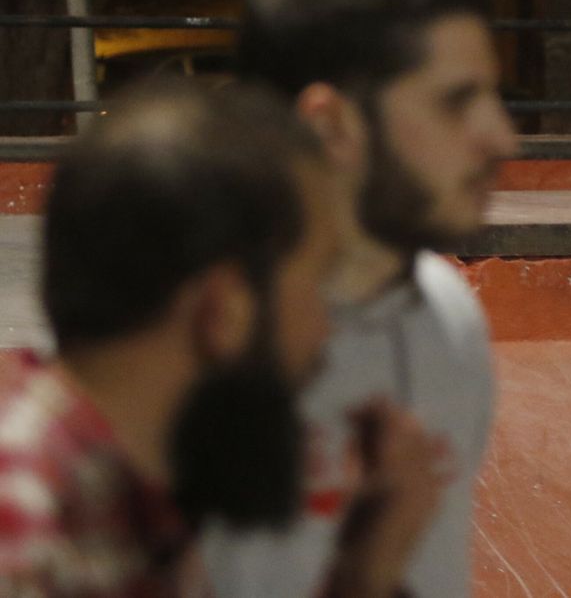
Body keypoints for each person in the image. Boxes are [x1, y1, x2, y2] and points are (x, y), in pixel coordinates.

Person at [205, 0, 518, 598]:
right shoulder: (184, 351)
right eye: (456, 101)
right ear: (331, 123)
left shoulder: (449, 316)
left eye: (495, 95)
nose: (502, 137)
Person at [0, 82, 376, 594]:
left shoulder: (133, 509)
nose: (327, 329)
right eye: (318, 284)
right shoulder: (30, 543)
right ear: (223, 310)